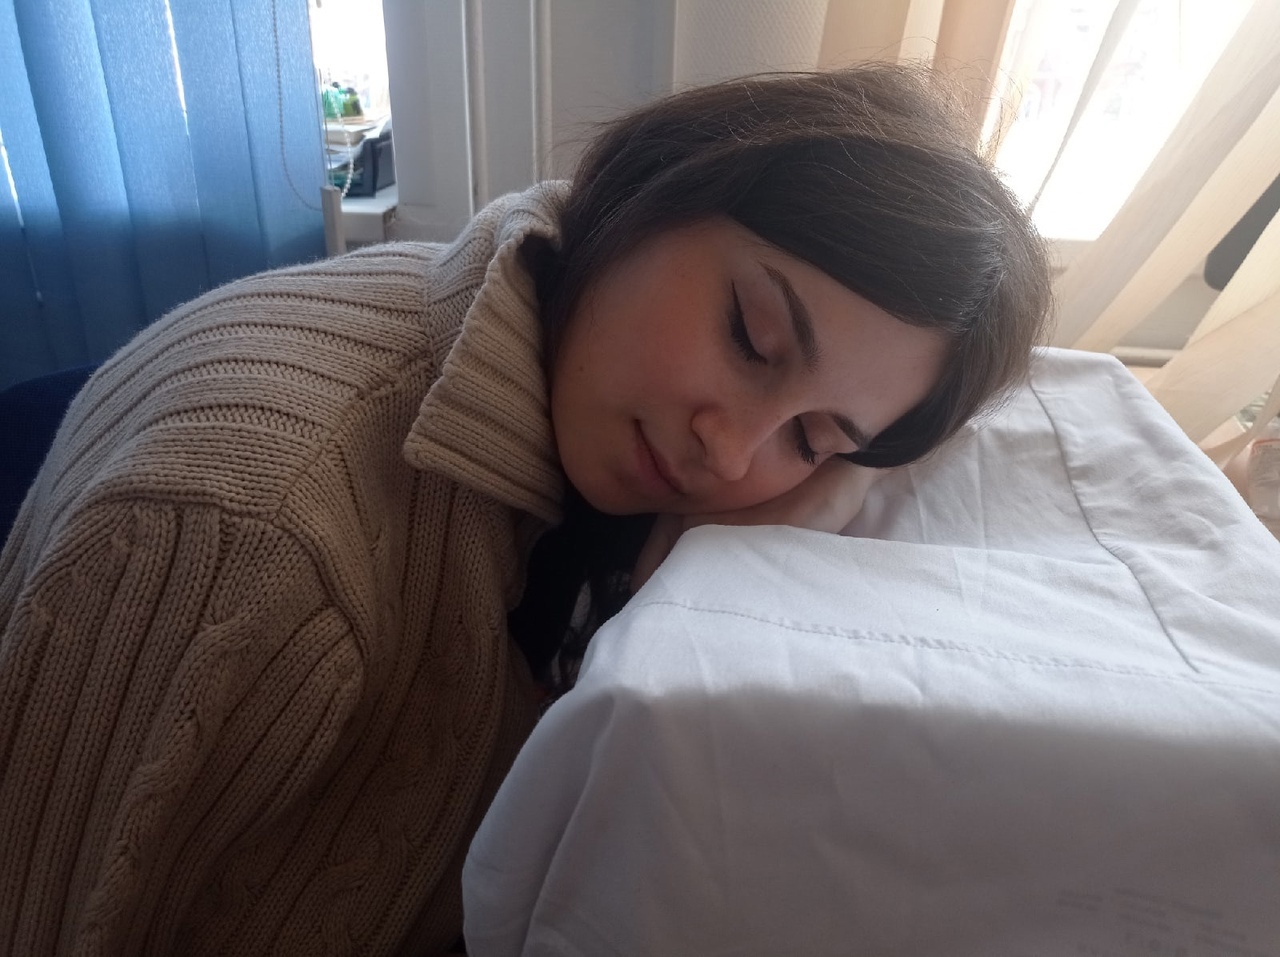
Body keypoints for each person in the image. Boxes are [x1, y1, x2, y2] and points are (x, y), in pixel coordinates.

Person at [0, 64, 1050, 956]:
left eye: (812, 438)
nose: (730, 452)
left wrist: (744, 543)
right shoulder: (250, 539)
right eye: (751, 337)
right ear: (656, 187)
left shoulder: (560, 361)